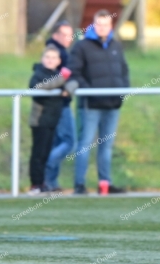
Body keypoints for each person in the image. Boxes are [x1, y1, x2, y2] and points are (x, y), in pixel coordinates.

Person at [65, 9, 129, 195]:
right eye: (99, 24)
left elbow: (123, 71)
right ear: (93, 25)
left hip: (112, 104)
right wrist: (90, 92)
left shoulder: (116, 45)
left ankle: (105, 183)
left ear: (111, 26)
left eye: (106, 24)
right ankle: (79, 184)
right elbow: (74, 72)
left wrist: (123, 91)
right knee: (85, 144)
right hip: (91, 105)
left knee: (106, 146)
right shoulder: (82, 46)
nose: (102, 28)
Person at [28, 46, 71, 195]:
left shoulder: (58, 75)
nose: (50, 60)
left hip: (53, 119)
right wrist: (62, 80)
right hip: (40, 120)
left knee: (46, 153)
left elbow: (74, 82)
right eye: (47, 57)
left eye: (54, 58)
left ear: (59, 61)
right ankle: (36, 184)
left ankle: (44, 182)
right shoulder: (38, 74)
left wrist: (68, 88)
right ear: (42, 59)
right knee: (38, 154)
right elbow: (39, 87)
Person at [43, 20, 76, 192]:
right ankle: (46, 167)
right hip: (58, 105)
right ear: (55, 35)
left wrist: (69, 86)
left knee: (57, 142)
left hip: (60, 102)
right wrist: (67, 86)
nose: (68, 38)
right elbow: (51, 80)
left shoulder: (62, 52)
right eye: (64, 34)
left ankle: (51, 182)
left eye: (70, 34)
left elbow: (69, 78)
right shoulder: (56, 52)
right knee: (69, 142)